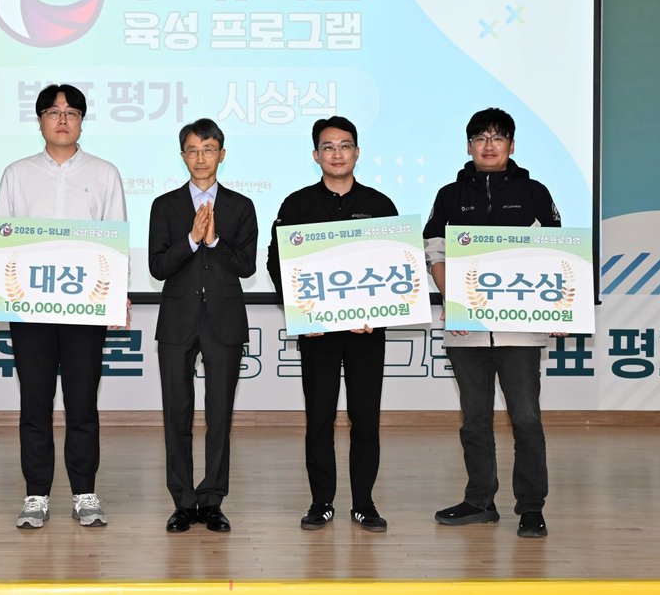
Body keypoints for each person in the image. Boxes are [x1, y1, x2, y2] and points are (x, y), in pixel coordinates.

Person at [0, 83, 126, 529]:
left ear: (82, 120)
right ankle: (36, 494)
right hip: (31, 310)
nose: (62, 119)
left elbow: (115, 240)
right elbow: (4, 237)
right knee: (35, 404)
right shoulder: (17, 174)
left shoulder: (105, 173)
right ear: (40, 120)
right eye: (53, 111)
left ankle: (84, 492)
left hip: (85, 310)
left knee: (82, 403)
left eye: (71, 112)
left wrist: (117, 294)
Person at [423, 107, 561, 539]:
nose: (488, 145)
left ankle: (531, 507)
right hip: (466, 328)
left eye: (497, 137)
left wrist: (560, 307)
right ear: (468, 146)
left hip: (520, 328)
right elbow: (434, 250)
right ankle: (480, 500)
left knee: (526, 418)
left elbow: (556, 254)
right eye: (480, 137)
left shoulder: (534, 193)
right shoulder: (450, 195)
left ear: (511, 145)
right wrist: (452, 298)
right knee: (474, 420)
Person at [266, 116, 397, 533]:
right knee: (319, 419)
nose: (336, 154)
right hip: (318, 332)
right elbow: (277, 262)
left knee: (366, 419)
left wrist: (378, 313)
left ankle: (364, 503)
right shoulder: (297, 205)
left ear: (357, 152)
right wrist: (301, 312)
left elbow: (396, 265)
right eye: (328, 146)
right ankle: (321, 501)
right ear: (315, 154)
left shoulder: (380, 205)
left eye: (344, 146)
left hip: (366, 333)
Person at [148, 118, 257, 533]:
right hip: (177, 321)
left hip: (224, 321)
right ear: (182, 156)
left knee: (219, 416)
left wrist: (213, 242)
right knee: (176, 413)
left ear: (221, 155)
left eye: (208, 149)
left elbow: (246, 266)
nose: (200, 158)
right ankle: (182, 501)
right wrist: (192, 240)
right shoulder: (165, 206)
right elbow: (158, 267)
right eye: (192, 150)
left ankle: (212, 500)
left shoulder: (241, 206)